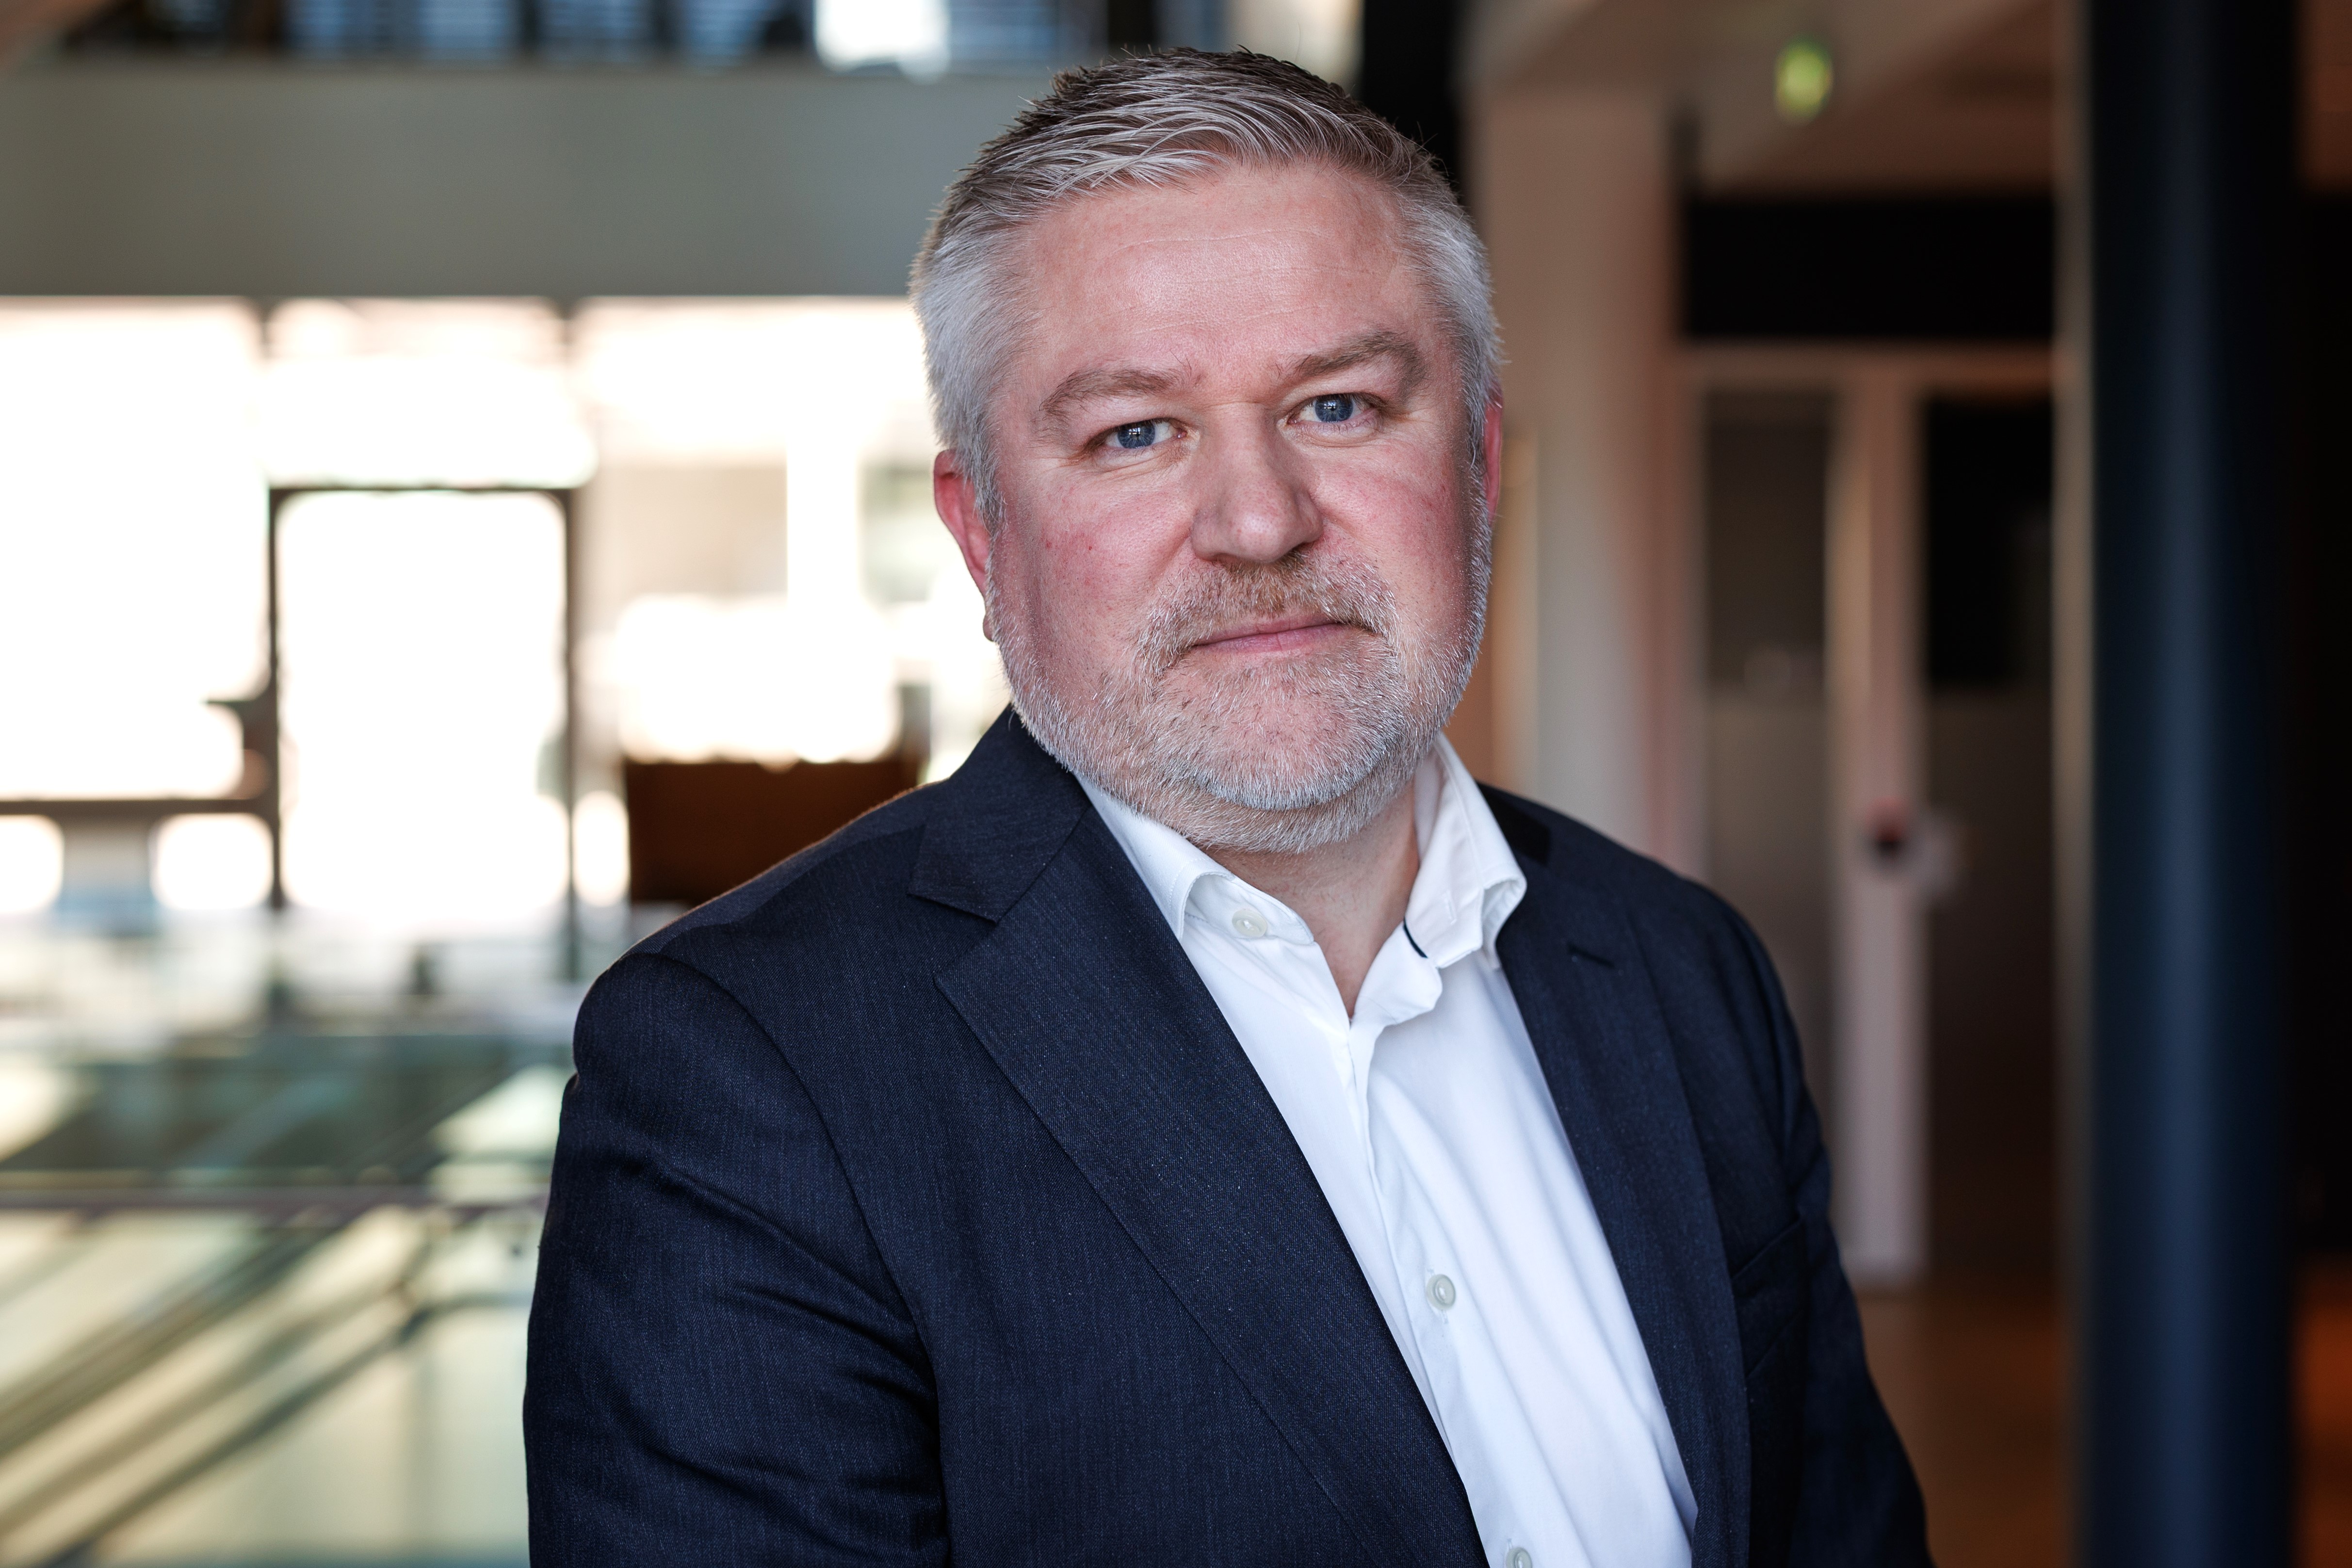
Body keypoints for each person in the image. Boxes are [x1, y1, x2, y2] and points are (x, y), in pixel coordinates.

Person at [524, 49, 1930, 1568]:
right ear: (982, 535)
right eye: (1134, 431)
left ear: (1477, 465)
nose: (1259, 521)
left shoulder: (1681, 969)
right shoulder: (750, 1070)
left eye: (1337, 405)